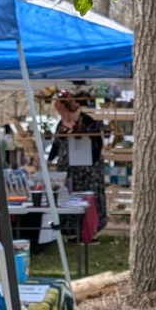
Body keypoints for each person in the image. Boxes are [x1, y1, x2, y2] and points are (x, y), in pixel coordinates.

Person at [48, 92, 107, 232]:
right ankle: (71, 229)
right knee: (68, 195)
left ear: (66, 107)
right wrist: (50, 159)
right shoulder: (60, 125)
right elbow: (56, 144)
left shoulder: (87, 121)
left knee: (87, 198)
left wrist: (88, 161)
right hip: (68, 169)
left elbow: (98, 145)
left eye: (60, 110)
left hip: (87, 170)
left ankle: (89, 229)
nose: (59, 114)